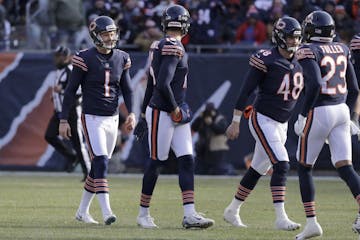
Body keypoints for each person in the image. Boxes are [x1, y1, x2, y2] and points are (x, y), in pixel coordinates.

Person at [134, 4, 215, 229]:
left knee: (187, 158)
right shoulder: (173, 47)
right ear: (186, 24)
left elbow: (151, 82)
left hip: (168, 108)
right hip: (164, 110)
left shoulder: (157, 45)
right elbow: (161, 83)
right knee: (156, 162)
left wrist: (142, 113)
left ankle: (189, 214)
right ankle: (143, 214)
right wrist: (174, 109)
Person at [224, 16, 303, 231]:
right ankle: (280, 217)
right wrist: (236, 121)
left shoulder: (301, 61)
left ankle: (232, 210)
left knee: (257, 169)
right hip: (263, 119)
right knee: (283, 164)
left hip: (282, 124)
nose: (294, 42)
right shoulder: (266, 58)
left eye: (297, 37)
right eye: (290, 37)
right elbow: (245, 91)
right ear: (279, 37)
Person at [58, 16, 136, 225]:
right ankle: (106, 211)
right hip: (92, 117)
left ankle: (82, 211)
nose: (110, 37)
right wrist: (64, 120)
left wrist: (132, 113)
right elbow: (70, 91)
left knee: (98, 167)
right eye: (105, 34)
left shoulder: (122, 57)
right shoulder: (84, 58)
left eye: (112, 33)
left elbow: (127, 89)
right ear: (95, 36)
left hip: (112, 118)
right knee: (100, 161)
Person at [293, 11, 360, 239]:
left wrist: (303, 115)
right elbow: (355, 89)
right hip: (342, 110)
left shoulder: (308, 50)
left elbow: (314, 85)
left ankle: (312, 223)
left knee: (304, 167)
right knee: (345, 167)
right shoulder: (342, 47)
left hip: (320, 111)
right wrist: (351, 117)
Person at [45, 45, 90, 180]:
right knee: (50, 135)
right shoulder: (59, 71)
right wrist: (55, 96)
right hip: (59, 111)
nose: (56, 59)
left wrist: (62, 90)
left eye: (58, 56)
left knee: (78, 142)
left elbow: (79, 91)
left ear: (65, 57)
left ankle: (88, 172)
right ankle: (72, 157)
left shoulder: (71, 70)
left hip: (72, 111)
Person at [191, 102, 232, 175]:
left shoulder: (220, 118)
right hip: (202, 149)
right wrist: (199, 118)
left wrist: (211, 124)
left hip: (216, 150)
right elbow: (194, 127)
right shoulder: (202, 118)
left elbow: (221, 130)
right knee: (199, 170)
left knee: (217, 170)